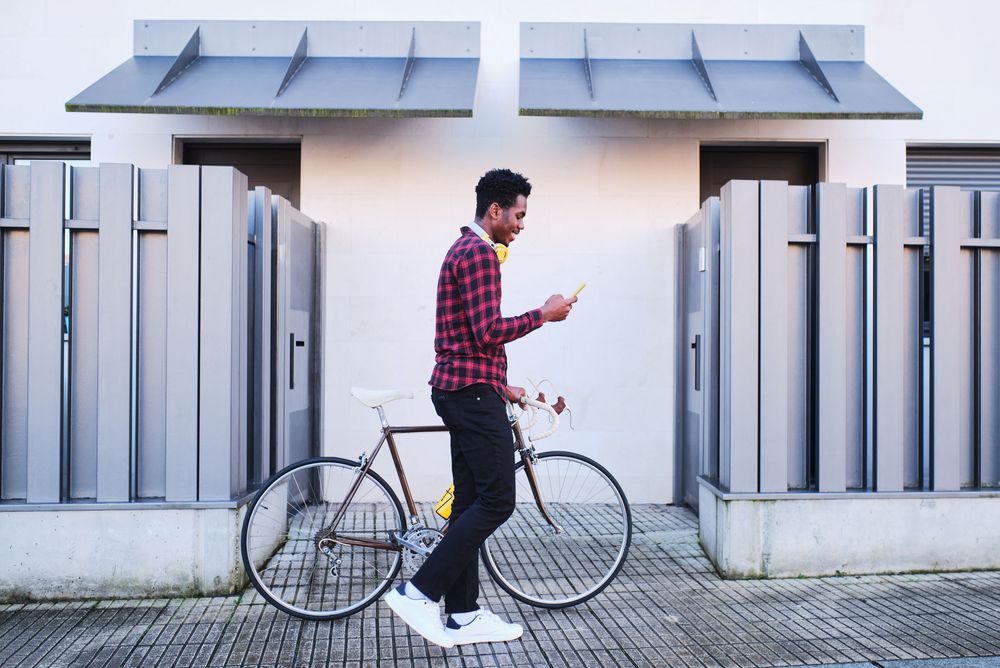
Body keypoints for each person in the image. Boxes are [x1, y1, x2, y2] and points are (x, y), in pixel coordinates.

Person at [383, 169, 576, 647]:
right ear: (495, 211)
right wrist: (545, 315)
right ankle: (419, 591)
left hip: (468, 387)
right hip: (468, 393)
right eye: (519, 214)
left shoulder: (464, 250)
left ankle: (463, 615)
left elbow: (471, 338)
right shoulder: (479, 254)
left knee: (470, 503)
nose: (521, 225)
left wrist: (500, 383)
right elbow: (489, 330)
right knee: (497, 501)